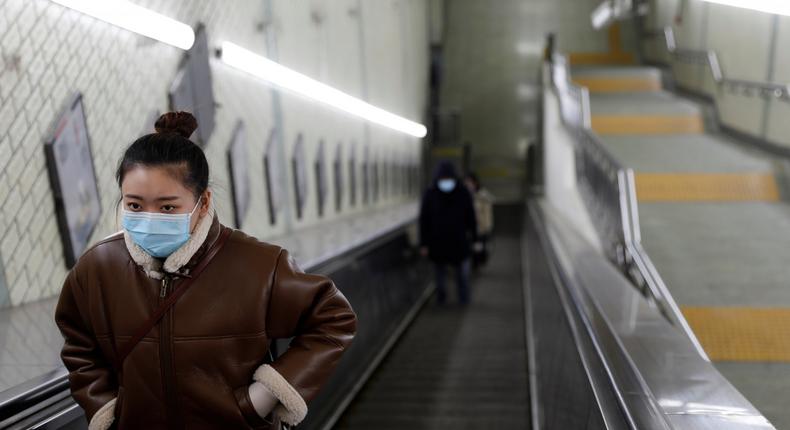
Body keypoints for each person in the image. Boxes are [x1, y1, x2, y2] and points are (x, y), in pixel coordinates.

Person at [54, 112, 356, 430]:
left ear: (203, 201)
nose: (149, 218)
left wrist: (262, 397)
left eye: (168, 207)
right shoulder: (97, 268)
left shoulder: (259, 265)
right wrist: (105, 409)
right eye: (134, 205)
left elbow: (334, 318)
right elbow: (79, 343)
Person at [419, 161, 477, 305]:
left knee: (462, 275)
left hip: (459, 242)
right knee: (440, 276)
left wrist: (474, 237)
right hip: (438, 243)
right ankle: (441, 299)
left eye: (448, 179)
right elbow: (424, 220)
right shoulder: (430, 194)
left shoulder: (463, 193)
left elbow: (471, 217)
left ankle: (464, 300)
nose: (446, 182)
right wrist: (424, 244)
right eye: (443, 179)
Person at [464, 172, 495, 268]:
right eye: (466, 183)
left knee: (478, 249)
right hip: (468, 228)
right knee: (471, 249)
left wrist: (487, 228)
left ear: (475, 183)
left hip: (480, 228)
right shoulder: (463, 196)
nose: (468, 185)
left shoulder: (483, 196)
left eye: (470, 182)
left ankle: (476, 264)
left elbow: (487, 214)